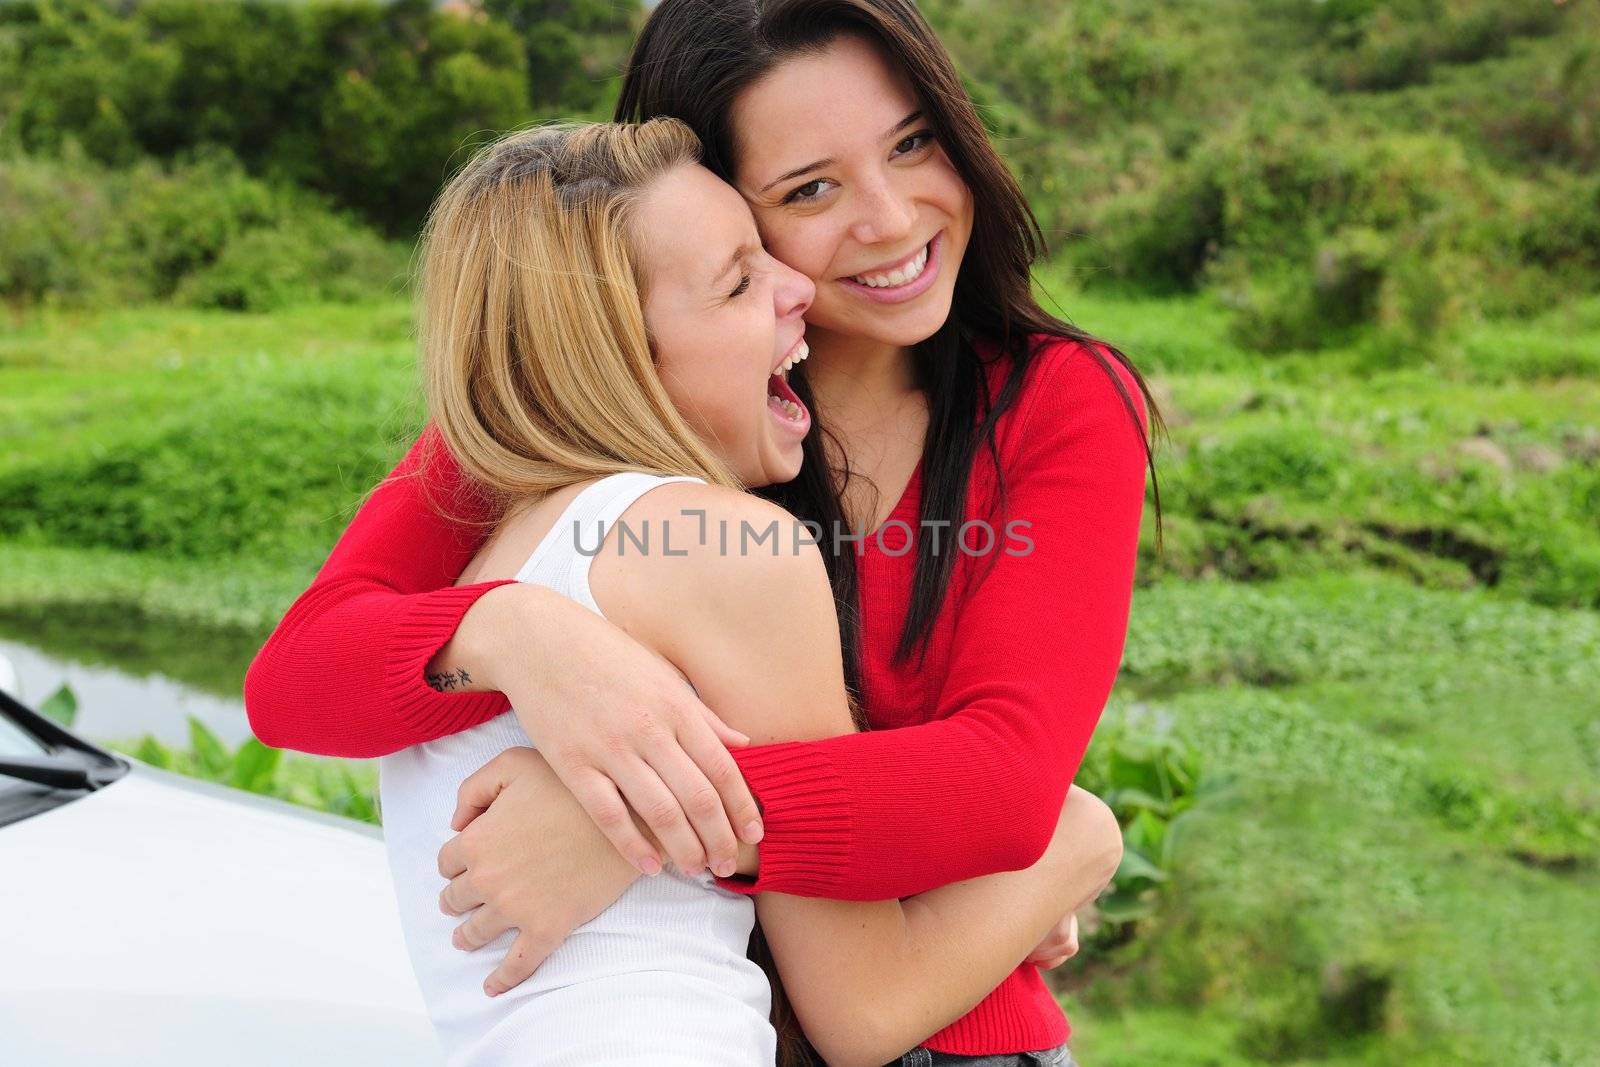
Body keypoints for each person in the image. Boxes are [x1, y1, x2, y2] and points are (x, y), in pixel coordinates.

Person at [246, 0, 1161, 1061]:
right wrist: (513, 633)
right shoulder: (600, 389)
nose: (891, 216)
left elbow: (1000, 782)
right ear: (724, 201)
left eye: (913, 143)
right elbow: (295, 680)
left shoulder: (1053, 402)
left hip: (944, 1035)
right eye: (809, 188)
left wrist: (627, 829)